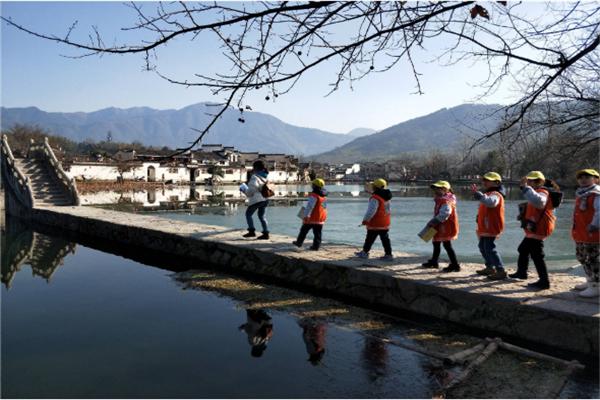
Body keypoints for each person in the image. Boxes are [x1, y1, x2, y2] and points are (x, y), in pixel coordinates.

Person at [509, 171, 556, 290]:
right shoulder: (537, 191)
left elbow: (540, 203)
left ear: (540, 182)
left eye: (532, 180)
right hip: (535, 226)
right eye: (528, 180)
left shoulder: (543, 191)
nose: (529, 182)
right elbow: (535, 207)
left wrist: (526, 188)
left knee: (537, 255)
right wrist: (523, 215)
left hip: (540, 227)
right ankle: (522, 273)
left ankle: (544, 281)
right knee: (523, 249)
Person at [472, 172, 507, 280]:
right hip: (485, 226)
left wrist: (479, 195)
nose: (484, 182)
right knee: (482, 247)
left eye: (487, 180)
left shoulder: (496, 194)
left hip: (491, 225)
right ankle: (489, 267)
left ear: (496, 183)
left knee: (490, 248)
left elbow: (492, 203)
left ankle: (500, 270)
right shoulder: (489, 193)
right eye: (484, 180)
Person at [571, 169, 600, 298]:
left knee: (593, 260)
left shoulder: (597, 194)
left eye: (587, 177)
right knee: (582, 258)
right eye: (580, 177)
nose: (583, 179)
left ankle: (596, 286)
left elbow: (599, 212)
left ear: (596, 179)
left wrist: (594, 225)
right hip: (581, 233)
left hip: (593, 234)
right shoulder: (581, 194)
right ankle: (590, 281)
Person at [421, 181, 460, 272]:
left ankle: (455, 264)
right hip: (439, 225)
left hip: (445, 226)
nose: (435, 190)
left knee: (447, 245)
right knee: (436, 243)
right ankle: (434, 261)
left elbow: (445, 214)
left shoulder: (446, 201)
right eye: (435, 188)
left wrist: (433, 221)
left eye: (438, 188)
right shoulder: (442, 198)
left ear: (445, 189)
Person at [355, 178, 393, 261]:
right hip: (385, 221)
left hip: (375, 222)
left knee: (369, 238)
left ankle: (364, 253)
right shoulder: (387, 197)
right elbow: (388, 210)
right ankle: (389, 254)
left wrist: (365, 220)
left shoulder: (375, 198)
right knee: (385, 239)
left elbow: (371, 211)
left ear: (375, 187)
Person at [293, 178, 327, 251]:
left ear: (315, 186)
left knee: (303, 230)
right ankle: (316, 246)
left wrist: (306, 216)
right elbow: (324, 207)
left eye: (313, 184)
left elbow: (309, 206)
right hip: (320, 217)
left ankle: (299, 243)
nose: (312, 186)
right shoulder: (323, 196)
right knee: (318, 233)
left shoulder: (314, 195)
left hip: (312, 217)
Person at [241, 160, 270, 240]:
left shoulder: (254, 177)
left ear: (256, 168)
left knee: (248, 214)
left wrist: (243, 189)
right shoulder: (266, 176)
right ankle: (266, 233)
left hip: (257, 199)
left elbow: (250, 192)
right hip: (265, 199)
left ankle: (251, 231)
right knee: (262, 216)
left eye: (253, 167)